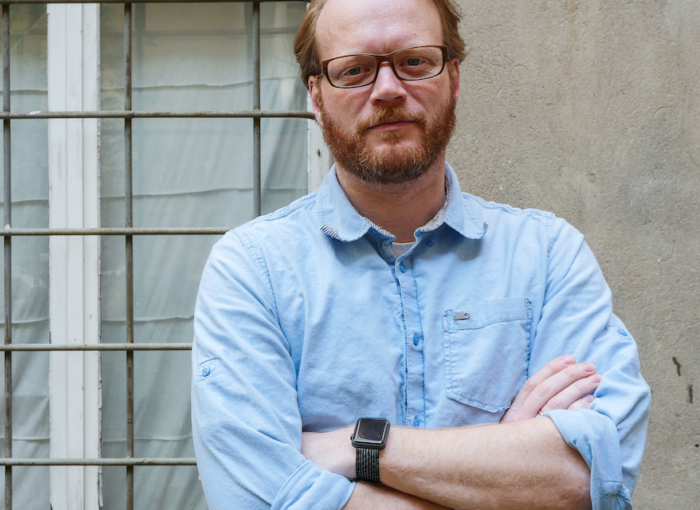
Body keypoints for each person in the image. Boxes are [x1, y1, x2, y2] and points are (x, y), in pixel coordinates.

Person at [189, 0, 650, 508]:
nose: (388, 89)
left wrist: (357, 448)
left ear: (453, 78)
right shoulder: (253, 270)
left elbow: (590, 478)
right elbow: (251, 498)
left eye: (414, 62)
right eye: (355, 70)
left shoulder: (547, 257)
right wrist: (501, 469)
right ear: (317, 97)